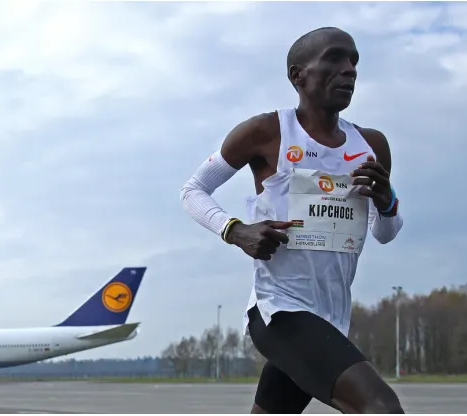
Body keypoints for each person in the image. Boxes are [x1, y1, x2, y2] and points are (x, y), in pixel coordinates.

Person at [180, 26, 404, 414]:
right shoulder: (266, 132)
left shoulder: (371, 145)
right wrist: (236, 230)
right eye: (335, 58)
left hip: (332, 316)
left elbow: (385, 233)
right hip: (279, 309)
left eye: (354, 61)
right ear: (297, 75)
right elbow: (193, 190)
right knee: (380, 405)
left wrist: (387, 200)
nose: (349, 69)